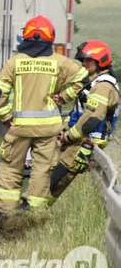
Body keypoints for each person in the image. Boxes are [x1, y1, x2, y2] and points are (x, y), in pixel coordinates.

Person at [0, 16, 86, 223]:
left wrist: (5, 116)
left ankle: (6, 215)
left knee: (10, 167)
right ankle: (34, 214)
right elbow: (83, 77)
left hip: (19, 128)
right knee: (42, 170)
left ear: (25, 36)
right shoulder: (59, 62)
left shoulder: (14, 62)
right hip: (48, 128)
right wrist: (64, 96)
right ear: (50, 38)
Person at [49, 39, 118, 204]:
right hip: (77, 139)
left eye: (88, 60)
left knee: (54, 183)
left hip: (84, 142)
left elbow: (91, 119)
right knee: (47, 177)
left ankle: (34, 215)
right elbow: (78, 112)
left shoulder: (104, 86)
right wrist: (64, 131)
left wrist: (67, 137)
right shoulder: (94, 82)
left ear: (100, 61)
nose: (84, 64)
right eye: (83, 60)